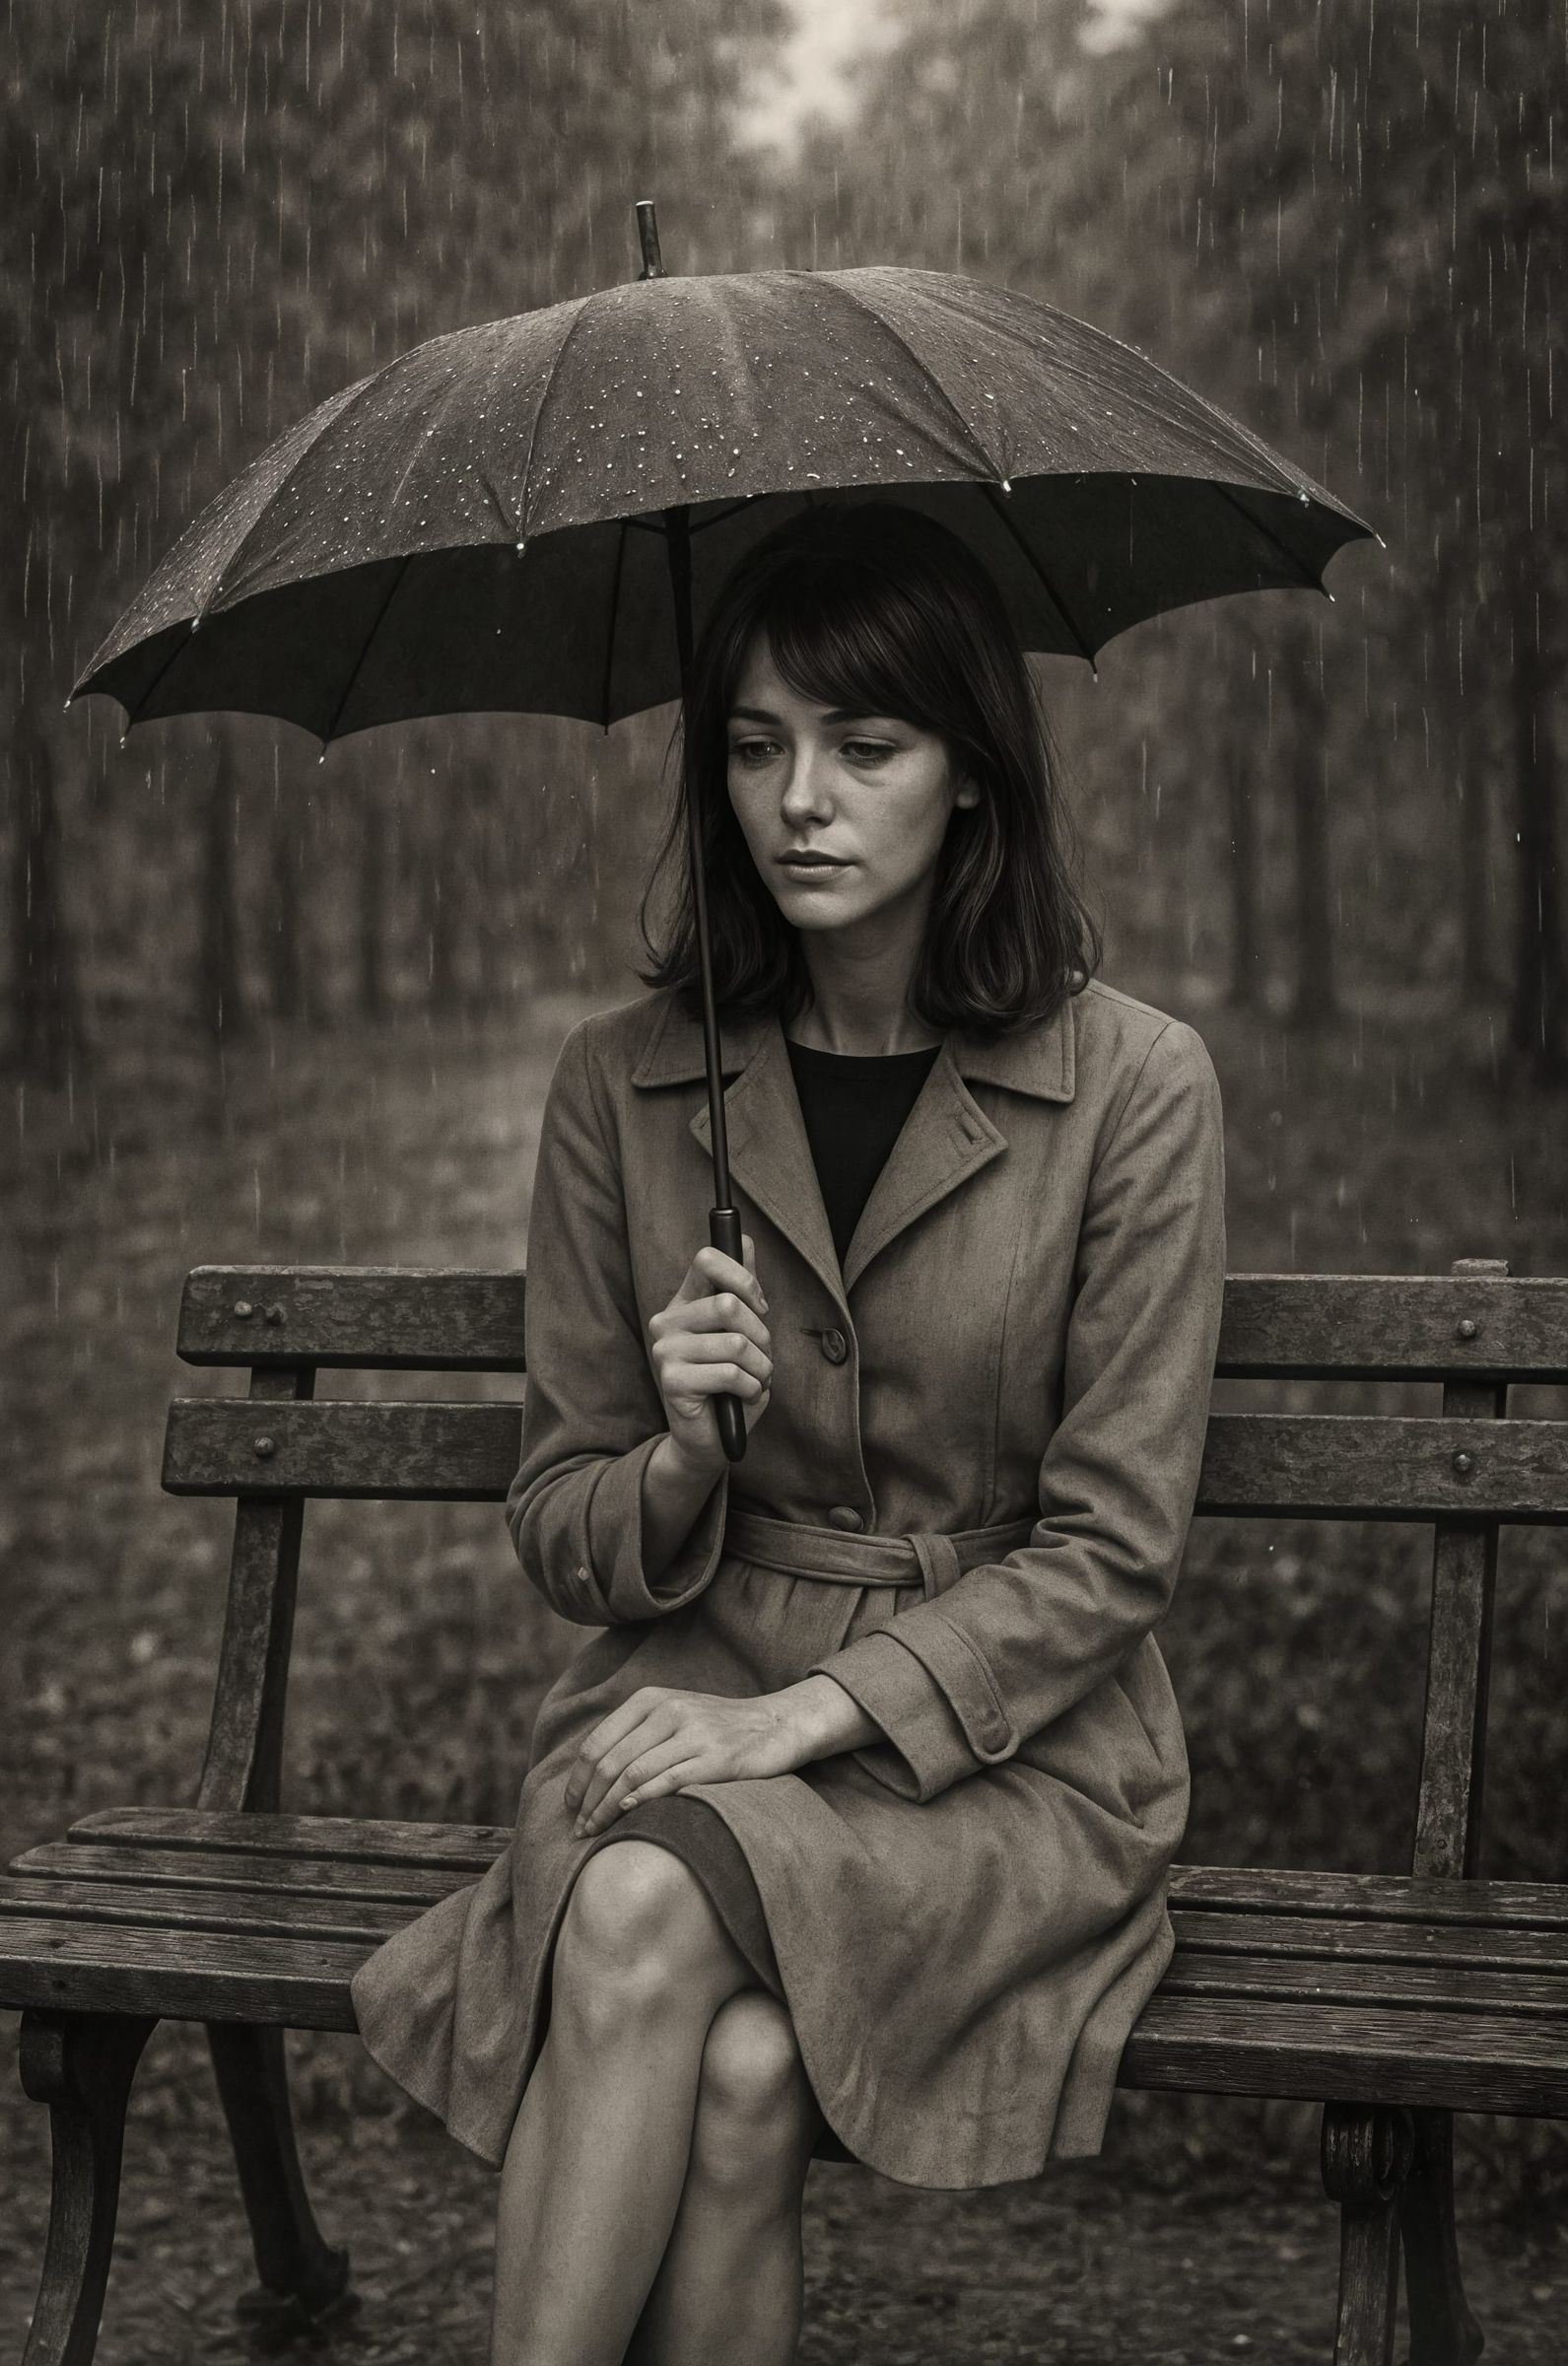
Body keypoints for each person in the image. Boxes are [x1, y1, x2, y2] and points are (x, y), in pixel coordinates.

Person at [349, 501, 1228, 2366]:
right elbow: (560, 1516)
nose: (798, 799)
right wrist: (675, 1460)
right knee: (737, 2073)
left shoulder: (1133, 1089)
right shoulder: (629, 1082)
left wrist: (798, 1721)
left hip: (1004, 1761)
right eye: (754, 746)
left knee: (646, 1897)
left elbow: (1116, 1550)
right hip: (684, 1679)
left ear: (973, 778)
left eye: (864, 744)